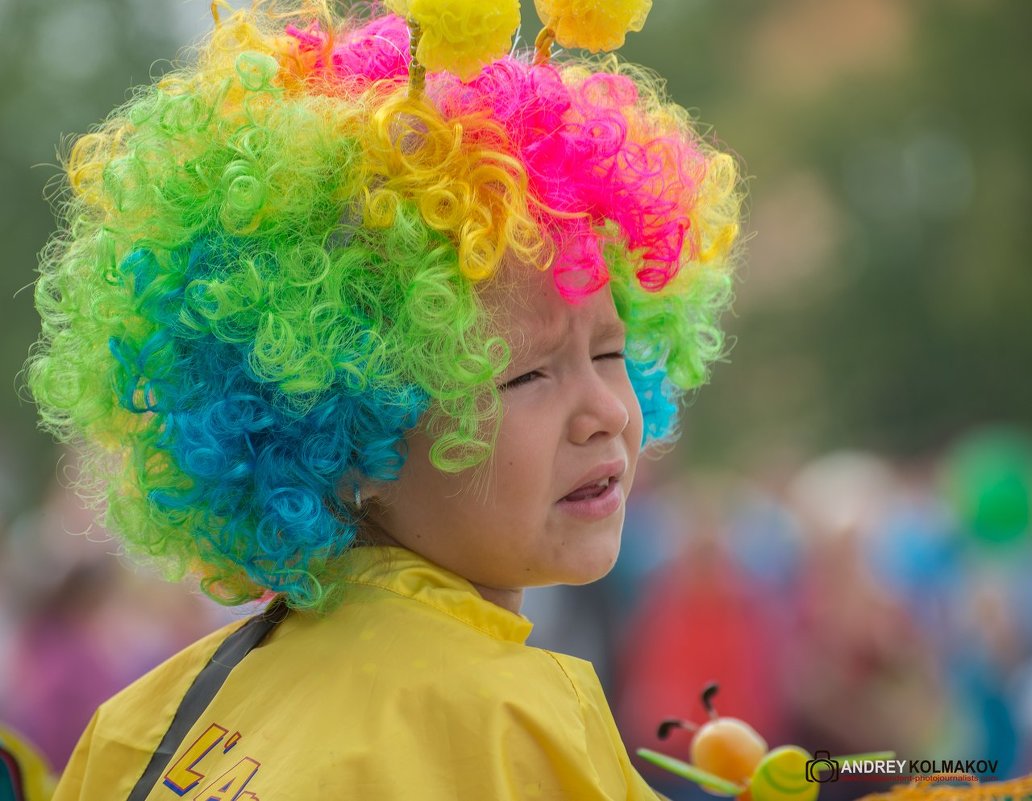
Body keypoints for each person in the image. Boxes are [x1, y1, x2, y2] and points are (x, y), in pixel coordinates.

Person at [25, 0, 743, 798]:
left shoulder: (144, 722)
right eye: (528, 375)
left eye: (610, 352)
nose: (606, 410)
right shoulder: (505, 725)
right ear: (352, 429)